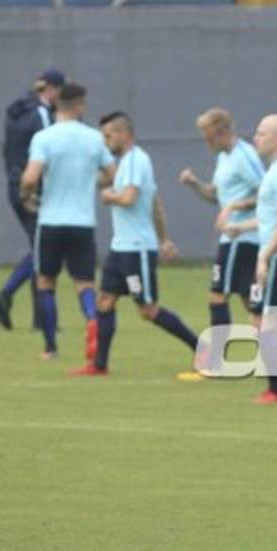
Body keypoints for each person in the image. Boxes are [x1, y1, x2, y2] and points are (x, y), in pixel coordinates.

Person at [71, 112, 200, 377]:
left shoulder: (135, 161)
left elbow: (129, 198)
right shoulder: (129, 162)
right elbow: (155, 203)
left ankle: (202, 349)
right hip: (121, 248)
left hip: (136, 249)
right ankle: (99, 365)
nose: (105, 142)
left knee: (147, 310)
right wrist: (164, 239)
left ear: (121, 134)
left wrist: (109, 196)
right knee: (104, 301)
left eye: (108, 136)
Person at [20, 83, 116, 360]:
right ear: (79, 106)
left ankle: (50, 348)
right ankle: (92, 320)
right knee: (84, 283)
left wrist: (26, 196)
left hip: (50, 220)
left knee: (46, 282)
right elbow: (112, 174)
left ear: (56, 105)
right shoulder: (94, 138)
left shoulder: (44, 137)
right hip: (82, 223)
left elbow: (29, 177)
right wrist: (89, 182)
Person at [221, 115, 277, 404]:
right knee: (264, 320)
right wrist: (241, 227)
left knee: (270, 322)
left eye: (261, 133)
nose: (255, 137)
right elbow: (271, 219)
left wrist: (265, 256)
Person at [178, 108, 264, 370]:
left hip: (244, 237)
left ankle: (216, 361)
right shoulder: (224, 158)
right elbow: (217, 196)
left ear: (223, 133)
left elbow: (266, 193)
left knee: (217, 296)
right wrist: (194, 183)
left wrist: (235, 207)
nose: (206, 143)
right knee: (253, 304)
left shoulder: (244, 156)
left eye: (208, 138)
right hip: (233, 238)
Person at [0, 68, 63, 331]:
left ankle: (40, 319)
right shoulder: (42, 115)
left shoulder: (17, 113)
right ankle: (6, 294)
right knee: (43, 251)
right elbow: (49, 149)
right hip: (33, 188)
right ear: (53, 89)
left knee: (39, 248)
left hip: (13, 185)